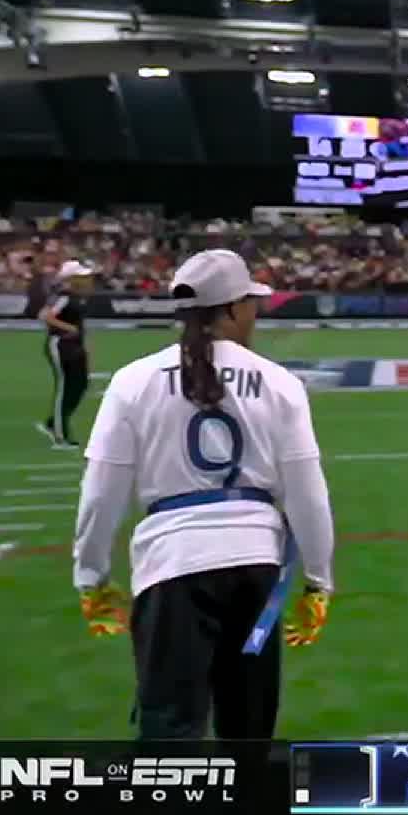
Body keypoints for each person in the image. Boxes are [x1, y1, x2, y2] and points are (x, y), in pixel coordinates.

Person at [72, 248, 336, 738]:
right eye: (251, 303)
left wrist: (91, 576)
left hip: (172, 566)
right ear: (232, 309)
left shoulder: (133, 382)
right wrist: (319, 581)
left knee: (170, 728)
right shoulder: (279, 383)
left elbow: (101, 493)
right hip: (257, 568)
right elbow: (307, 493)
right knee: (249, 728)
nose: (256, 313)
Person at [38, 259, 95, 450]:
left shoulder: (77, 297)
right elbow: (45, 315)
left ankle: (54, 422)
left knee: (80, 384)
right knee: (64, 388)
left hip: (75, 346)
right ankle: (60, 435)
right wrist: (69, 328)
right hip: (61, 345)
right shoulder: (63, 296)